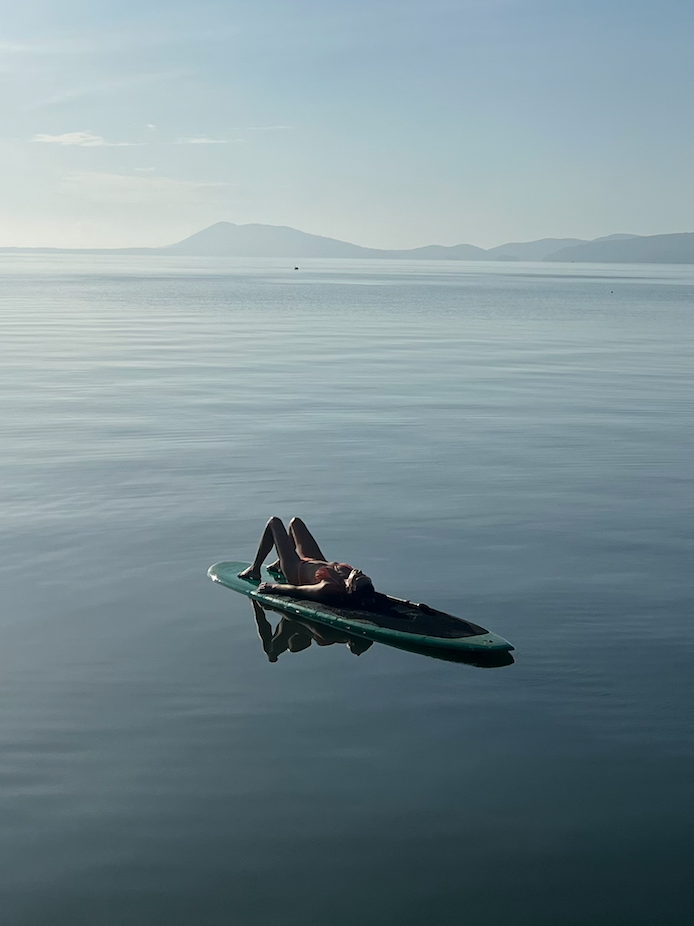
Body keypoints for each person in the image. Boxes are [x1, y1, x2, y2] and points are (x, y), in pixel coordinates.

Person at [238, 516, 375, 604]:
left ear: (350, 587)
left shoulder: (328, 588)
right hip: (315, 561)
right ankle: (279, 564)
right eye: (363, 575)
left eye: (358, 577)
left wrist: (272, 587)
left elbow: (298, 590)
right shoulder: (351, 576)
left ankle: (254, 570)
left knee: (274, 522)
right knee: (295, 523)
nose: (359, 572)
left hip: (295, 569)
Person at [251, 600, 373, 662]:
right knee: (274, 647)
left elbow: (265, 630)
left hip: (308, 627)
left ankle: (258, 606)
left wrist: (256, 606)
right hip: (312, 628)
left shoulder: (316, 636)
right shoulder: (320, 637)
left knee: (274, 647)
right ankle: (257, 606)